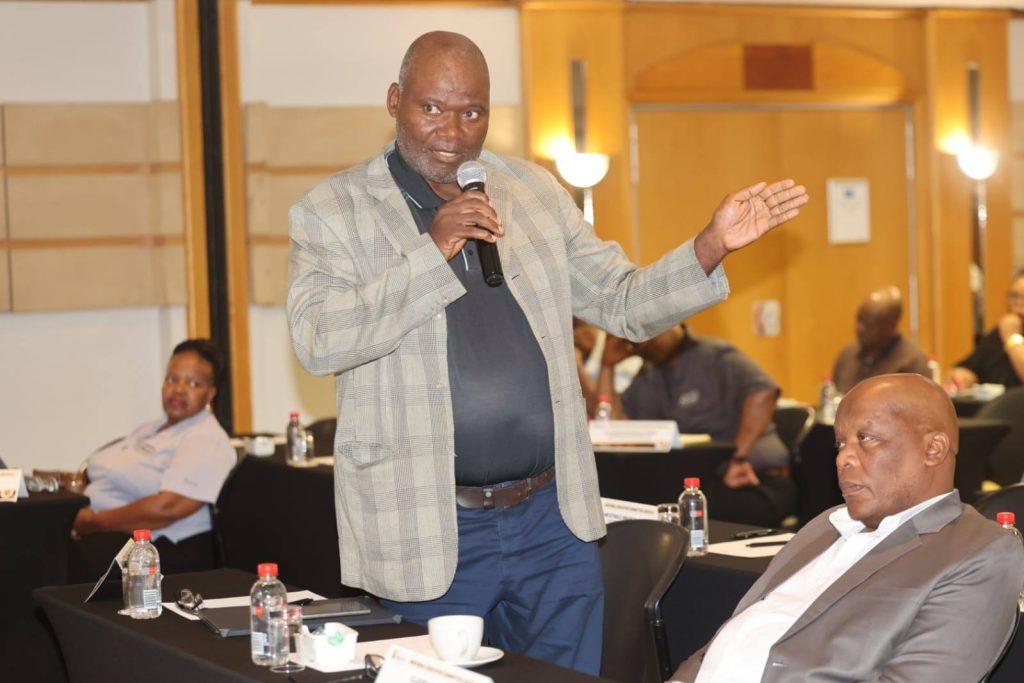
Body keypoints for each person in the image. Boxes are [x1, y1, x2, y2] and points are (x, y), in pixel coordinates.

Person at [287, 30, 807, 674]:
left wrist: (709, 246)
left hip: (549, 520)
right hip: (427, 524)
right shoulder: (333, 211)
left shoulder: (530, 192)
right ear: (395, 101)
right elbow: (318, 339)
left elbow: (621, 301)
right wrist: (432, 252)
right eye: (432, 108)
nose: (452, 132)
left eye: (472, 112)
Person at [670, 374, 1024, 683]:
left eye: (866, 438)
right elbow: (738, 631)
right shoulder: (826, 525)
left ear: (933, 449)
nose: (843, 458)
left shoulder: (980, 551)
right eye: (841, 443)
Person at [593, 324, 795, 526]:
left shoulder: (715, 357)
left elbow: (763, 392)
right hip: (694, 483)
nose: (642, 343)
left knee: (684, 511)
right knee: (624, 501)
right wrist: (607, 366)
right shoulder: (647, 374)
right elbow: (612, 426)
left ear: (676, 324)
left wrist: (737, 458)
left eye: (649, 333)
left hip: (752, 479)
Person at [69, 339, 237, 580]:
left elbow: (167, 508)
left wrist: (94, 523)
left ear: (210, 393)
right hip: (107, 530)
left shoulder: (206, 440)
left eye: (192, 383)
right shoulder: (152, 428)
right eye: (172, 379)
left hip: (158, 551)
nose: (178, 389)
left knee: (57, 559)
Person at [831, 285, 929, 393]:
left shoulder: (913, 363)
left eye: (869, 324)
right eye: (859, 319)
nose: (860, 328)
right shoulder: (847, 355)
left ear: (890, 325)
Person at [948, 270, 1024, 390]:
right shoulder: (1001, 331)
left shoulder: (1008, 331)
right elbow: (971, 367)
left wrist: (1012, 337)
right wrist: (962, 376)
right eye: (1014, 296)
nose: (1018, 304)